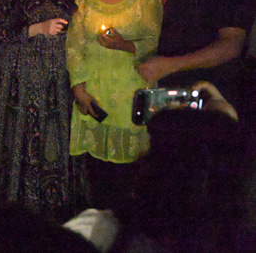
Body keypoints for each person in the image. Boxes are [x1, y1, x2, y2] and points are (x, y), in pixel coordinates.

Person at [66, 83, 256, 253]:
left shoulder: (102, 233)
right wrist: (226, 130)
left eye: (150, 151)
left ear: (153, 172)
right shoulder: (237, 241)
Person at [0, 0, 81, 219]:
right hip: (25, 70)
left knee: (58, 132)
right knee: (29, 134)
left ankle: (59, 205)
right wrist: (38, 28)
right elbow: (4, 30)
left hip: (61, 69)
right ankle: (24, 207)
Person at [66, 0, 163, 209]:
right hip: (95, 93)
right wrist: (79, 88)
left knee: (131, 174)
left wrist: (124, 45)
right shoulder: (84, 0)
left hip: (131, 93)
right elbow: (73, 46)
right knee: (98, 174)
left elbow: (154, 41)